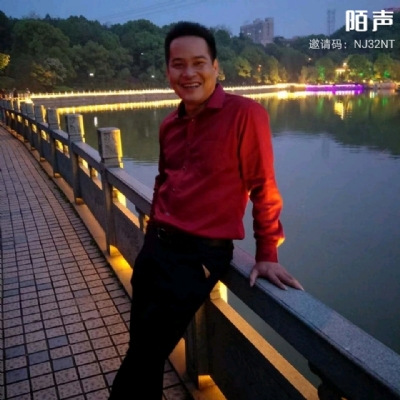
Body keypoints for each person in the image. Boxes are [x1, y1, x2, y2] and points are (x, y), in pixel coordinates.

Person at [109, 21, 303, 400]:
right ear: (168, 71)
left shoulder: (245, 114)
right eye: (178, 64)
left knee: (144, 356)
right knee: (143, 347)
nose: (189, 73)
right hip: (156, 247)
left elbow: (263, 187)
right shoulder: (169, 124)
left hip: (198, 255)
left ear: (216, 67)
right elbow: (163, 179)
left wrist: (267, 254)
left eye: (199, 63)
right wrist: (153, 228)